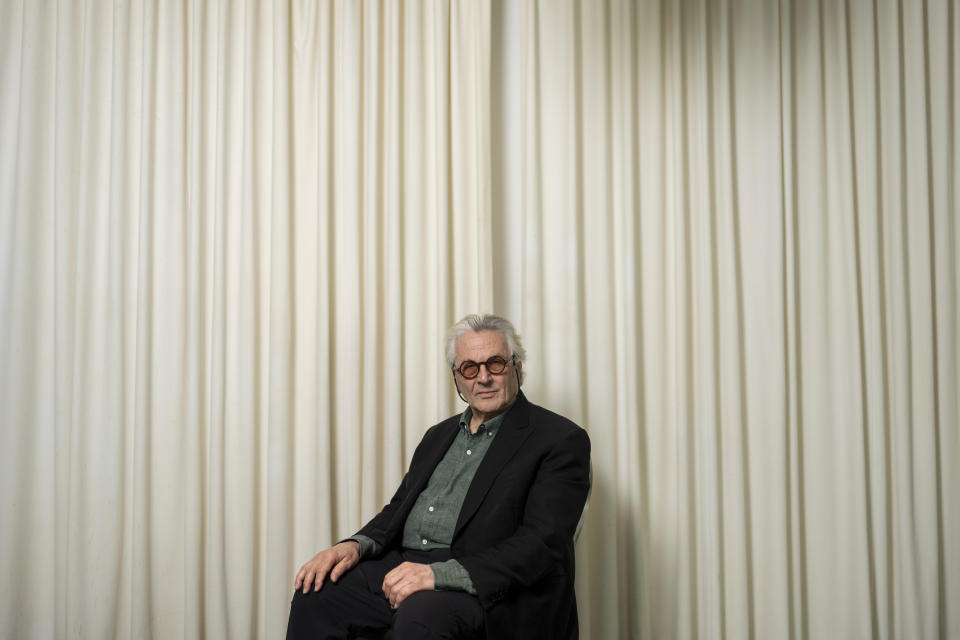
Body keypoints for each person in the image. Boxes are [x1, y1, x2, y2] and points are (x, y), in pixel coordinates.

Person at [286, 314, 591, 639]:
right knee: (316, 593)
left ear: (517, 367)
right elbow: (397, 511)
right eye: (470, 368)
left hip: (485, 581)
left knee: (421, 616)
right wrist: (352, 546)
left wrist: (439, 575)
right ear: (457, 378)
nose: (483, 377)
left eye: (496, 364)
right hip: (405, 563)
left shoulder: (559, 439)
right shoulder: (438, 435)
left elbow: (541, 544)